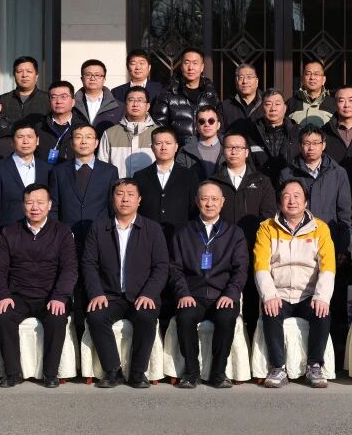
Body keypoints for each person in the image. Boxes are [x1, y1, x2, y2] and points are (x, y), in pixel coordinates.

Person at [82, 180, 169, 388]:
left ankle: (138, 372)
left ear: (139, 200)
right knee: (96, 316)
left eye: (130, 194)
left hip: (141, 295)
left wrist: (149, 293)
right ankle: (112, 371)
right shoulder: (99, 227)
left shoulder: (152, 229)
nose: (125, 199)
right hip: (109, 295)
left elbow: (161, 266)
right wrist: (96, 292)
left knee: (146, 316)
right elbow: (89, 264)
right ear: (113, 199)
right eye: (120, 194)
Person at [279, 126, 352, 369]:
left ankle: (335, 357)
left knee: (333, 300)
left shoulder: (338, 173)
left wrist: (341, 248)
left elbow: (344, 214)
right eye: (306, 143)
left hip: (329, 245)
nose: (310, 148)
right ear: (300, 145)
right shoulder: (288, 172)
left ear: (324, 145)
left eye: (315, 143)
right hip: (296, 247)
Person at [0, 184, 77, 388]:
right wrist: (3, 294)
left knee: (57, 317)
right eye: (29, 202)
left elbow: (70, 269)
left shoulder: (62, 232)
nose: (34, 207)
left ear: (49, 205)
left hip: (50, 295)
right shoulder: (10, 232)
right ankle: (12, 373)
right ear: (23, 205)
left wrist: (60, 296)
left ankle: (51, 373)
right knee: (3, 315)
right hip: (18, 295)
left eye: (40, 202)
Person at [254, 179, 337, 388]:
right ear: (280, 202)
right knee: (271, 311)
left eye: (297, 196)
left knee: (322, 312)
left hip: (308, 294)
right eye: (287, 196)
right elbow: (261, 266)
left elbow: (328, 267)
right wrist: (269, 295)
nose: (292, 201)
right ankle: (278, 367)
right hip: (279, 293)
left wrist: (321, 297)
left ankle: (314, 365)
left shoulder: (320, 228)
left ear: (306, 202)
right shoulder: (267, 228)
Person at [167, 181, 249, 389]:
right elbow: (175, 268)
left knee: (226, 317)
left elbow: (241, 269)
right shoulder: (183, 232)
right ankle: (191, 373)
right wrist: (183, 293)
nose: (209, 204)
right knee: (185, 316)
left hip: (222, 294)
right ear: (197, 202)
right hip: (192, 294)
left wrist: (231, 294)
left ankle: (219, 373)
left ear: (222, 202)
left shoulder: (234, 233)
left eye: (214, 199)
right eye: (204, 199)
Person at [209, 130, 277, 337]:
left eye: (238, 148)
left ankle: (252, 342)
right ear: (223, 151)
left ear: (247, 152)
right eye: (229, 147)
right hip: (221, 250)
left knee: (252, 299)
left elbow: (268, 215)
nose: (233, 152)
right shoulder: (213, 182)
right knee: (225, 299)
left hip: (254, 248)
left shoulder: (262, 181)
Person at [49, 124, 118, 240]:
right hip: (66, 236)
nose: (84, 141)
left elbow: (113, 206)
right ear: (71, 143)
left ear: (96, 143)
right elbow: (53, 206)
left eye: (88, 137)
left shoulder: (110, 171)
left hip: (100, 235)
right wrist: (57, 233)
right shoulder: (59, 171)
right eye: (78, 137)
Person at [133, 126, 202, 239]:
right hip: (147, 238)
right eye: (158, 143)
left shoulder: (189, 176)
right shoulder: (140, 177)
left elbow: (194, 210)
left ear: (176, 146)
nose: (163, 147)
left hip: (180, 238)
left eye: (168, 143)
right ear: (152, 148)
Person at [0, 121, 51, 234]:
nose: (25, 141)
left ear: (37, 140)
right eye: (20, 137)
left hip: (42, 234)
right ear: (12, 142)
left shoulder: (47, 169)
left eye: (30, 137)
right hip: (8, 233)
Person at [152, 48, 221, 145]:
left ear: (202, 67)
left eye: (195, 63)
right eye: (187, 63)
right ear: (181, 66)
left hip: (206, 150)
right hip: (178, 151)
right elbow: (159, 128)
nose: (190, 67)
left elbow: (219, 125)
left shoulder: (211, 94)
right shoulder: (167, 94)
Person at [97, 86, 158, 178]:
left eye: (140, 100)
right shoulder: (110, 133)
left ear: (148, 106)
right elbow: (102, 166)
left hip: (149, 186)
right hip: (118, 186)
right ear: (125, 104)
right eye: (131, 100)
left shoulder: (158, 134)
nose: (135, 104)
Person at [244, 89, 300, 187]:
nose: (273, 108)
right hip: (260, 188)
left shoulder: (297, 133)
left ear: (285, 108)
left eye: (277, 104)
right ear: (262, 108)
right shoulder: (251, 134)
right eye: (268, 104)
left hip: (290, 188)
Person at [35, 80, 84, 165]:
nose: (58, 101)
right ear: (49, 102)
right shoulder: (39, 127)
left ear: (73, 102)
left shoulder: (82, 127)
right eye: (54, 97)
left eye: (63, 97)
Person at [0, 56, 50, 127]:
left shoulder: (48, 99)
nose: (24, 75)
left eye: (29, 71)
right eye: (19, 71)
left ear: (36, 76)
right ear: (14, 75)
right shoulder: (3, 100)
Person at [74, 59, 123, 134]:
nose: (92, 78)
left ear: (104, 79)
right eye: (88, 75)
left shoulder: (119, 107)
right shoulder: (71, 105)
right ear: (82, 79)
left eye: (97, 75)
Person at [288, 59, 335, 128]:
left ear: (323, 80)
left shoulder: (333, 104)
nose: (312, 77)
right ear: (302, 79)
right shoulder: (291, 103)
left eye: (316, 74)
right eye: (308, 74)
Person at [181, 105, 224, 177]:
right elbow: (179, 178)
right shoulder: (185, 151)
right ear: (197, 126)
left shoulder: (229, 148)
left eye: (211, 121)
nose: (206, 124)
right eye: (202, 121)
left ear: (218, 125)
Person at [220, 63, 262, 132]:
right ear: (236, 82)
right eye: (241, 78)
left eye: (249, 77)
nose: (245, 81)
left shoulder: (266, 103)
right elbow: (219, 132)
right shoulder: (225, 106)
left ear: (257, 81)